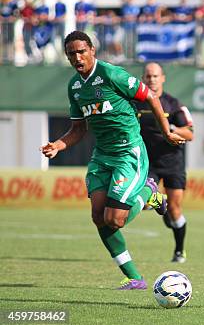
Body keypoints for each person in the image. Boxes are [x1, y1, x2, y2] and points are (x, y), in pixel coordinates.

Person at [40, 31, 185, 289]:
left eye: (81, 51)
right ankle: (134, 277)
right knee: (98, 217)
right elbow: (78, 129)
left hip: (129, 153)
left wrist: (166, 132)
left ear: (92, 51)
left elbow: (150, 97)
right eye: (71, 53)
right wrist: (58, 145)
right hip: (102, 156)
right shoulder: (74, 87)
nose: (77, 57)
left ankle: (148, 193)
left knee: (115, 219)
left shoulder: (111, 74)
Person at [136, 62, 194, 263]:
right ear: (143, 79)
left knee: (174, 212)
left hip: (172, 162)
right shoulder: (136, 103)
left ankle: (179, 250)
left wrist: (171, 129)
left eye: (155, 76)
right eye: (148, 76)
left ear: (163, 78)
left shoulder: (173, 104)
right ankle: (157, 200)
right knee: (142, 202)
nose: (152, 79)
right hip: (148, 162)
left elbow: (190, 133)